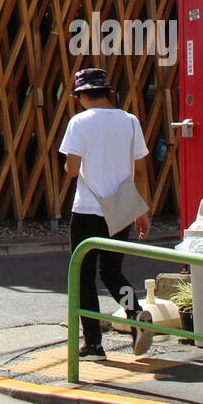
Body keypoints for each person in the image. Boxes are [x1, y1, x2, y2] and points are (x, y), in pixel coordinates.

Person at [59, 68, 154, 359]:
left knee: (84, 276)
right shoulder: (130, 121)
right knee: (112, 272)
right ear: (107, 92)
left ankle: (94, 344)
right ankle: (135, 313)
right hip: (121, 210)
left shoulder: (80, 122)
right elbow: (139, 171)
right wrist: (143, 211)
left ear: (82, 95)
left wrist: (72, 165)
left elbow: (72, 169)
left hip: (88, 210)